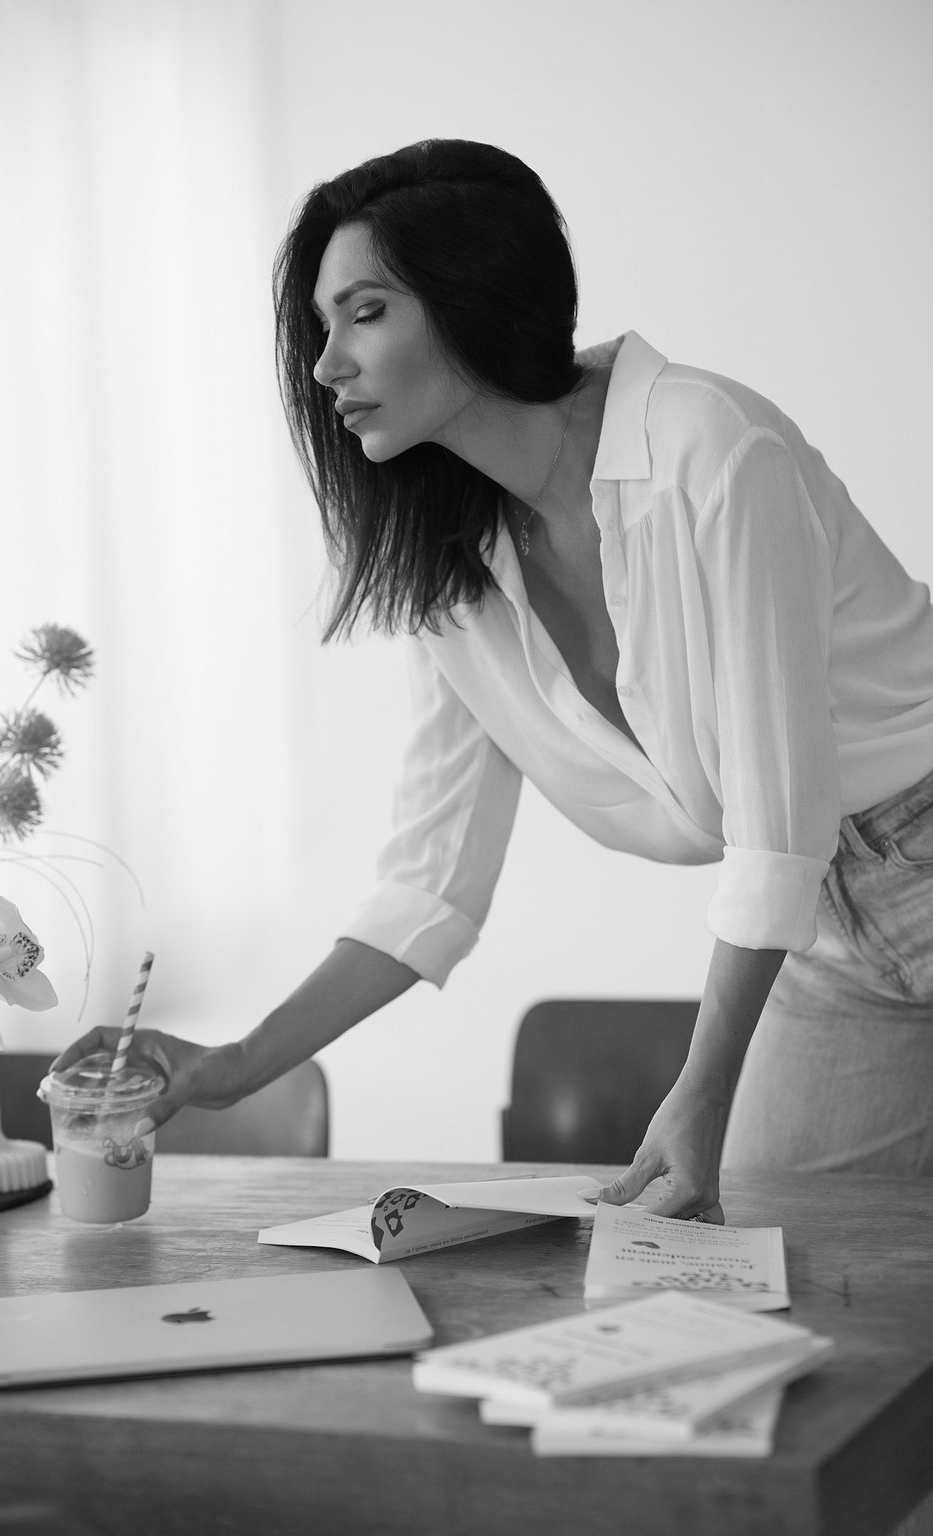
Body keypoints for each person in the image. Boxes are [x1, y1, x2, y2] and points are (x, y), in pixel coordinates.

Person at [54, 139, 933, 1221]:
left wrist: (700, 1086)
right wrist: (235, 1065)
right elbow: (429, 885)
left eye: (364, 313)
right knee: (798, 1273)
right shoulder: (457, 574)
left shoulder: (709, 450)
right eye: (321, 327)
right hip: (834, 935)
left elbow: (774, 827)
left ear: (472, 298)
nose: (327, 365)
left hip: (891, 843)